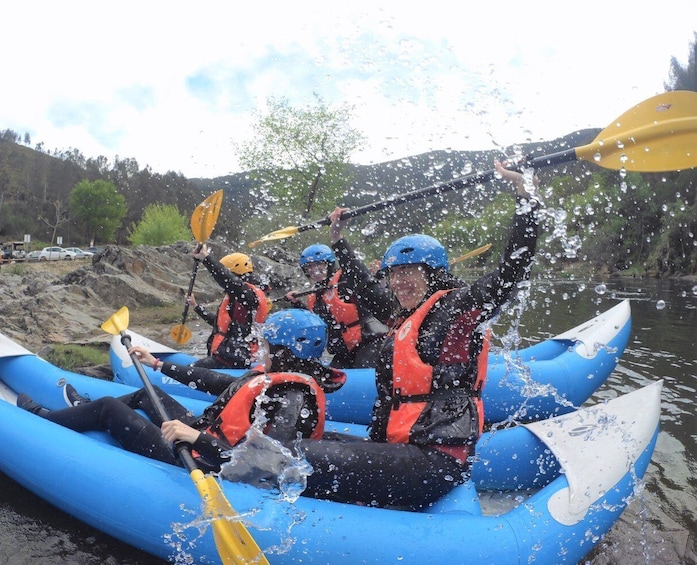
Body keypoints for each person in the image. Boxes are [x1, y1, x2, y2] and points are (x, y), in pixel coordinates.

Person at [287, 159, 540, 509]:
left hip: (434, 460)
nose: (398, 282)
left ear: (434, 274)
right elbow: (362, 284)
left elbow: (510, 271)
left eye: (409, 272)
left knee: (293, 453)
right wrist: (338, 241)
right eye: (393, 274)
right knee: (297, 435)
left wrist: (525, 198)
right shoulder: (402, 314)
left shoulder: (457, 312)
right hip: (401, 447)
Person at [17, 309, 345, 475]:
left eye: (268, 345)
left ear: (287, 351)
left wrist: (194, 438)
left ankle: (43, 417)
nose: (261, 351)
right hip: (205, 436)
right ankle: (80, 409)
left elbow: (265, 463)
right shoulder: (274, 376)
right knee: (148, 394)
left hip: (203, 461)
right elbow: (219, 383)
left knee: (107, 408)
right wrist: (158, 364)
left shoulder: (292, 398)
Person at [284, 243, 386, 368]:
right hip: (344, 351)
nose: (314, 269)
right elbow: (315, 323)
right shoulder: (315, 295)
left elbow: (356, 273)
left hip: (369, 343)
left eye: (319, 264)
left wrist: (378, 277)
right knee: (330, 381)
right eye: (309, 266)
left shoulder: (345, 282)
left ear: (330, 264)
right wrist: (297, 304)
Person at [189, 246, 270, 369]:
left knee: (188, 372)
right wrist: (197, 307)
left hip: (233, 361)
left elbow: (228, 281)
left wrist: (206, 258)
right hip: (226, 357)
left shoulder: (248, 295)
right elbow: (220, 325)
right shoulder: (238, 296)